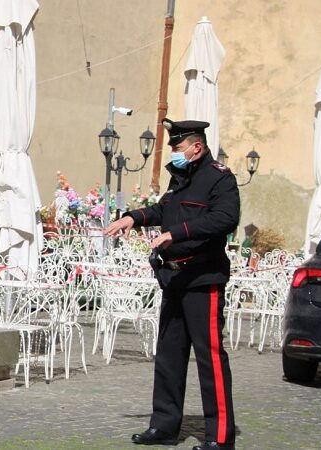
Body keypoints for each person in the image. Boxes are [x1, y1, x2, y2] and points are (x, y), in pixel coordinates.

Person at [106, 119, 239, 450]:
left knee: (209, 358)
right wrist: (133, 218)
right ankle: (164, 426)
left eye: (178, 147)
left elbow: (225, 218)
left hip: (202, 279)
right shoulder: (182, 178)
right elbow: (163, 208)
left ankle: (220, 438)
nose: (174, 153)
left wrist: (175, 233)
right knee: (169, 354)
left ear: (196, 147)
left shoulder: (219, 179)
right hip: (174, 277)